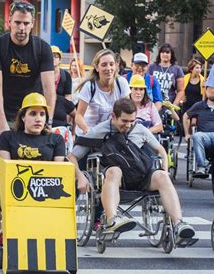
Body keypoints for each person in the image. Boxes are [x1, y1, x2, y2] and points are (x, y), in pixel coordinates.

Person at [68, 98, 195, 239]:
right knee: (114, 171)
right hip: (115, 179)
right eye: (124, 121)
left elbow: (161, 151)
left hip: (140, 176)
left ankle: (178, 224)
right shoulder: (99, 130)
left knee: (162, 177)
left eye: (131, 121)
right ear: (114, 117)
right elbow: (72, 156)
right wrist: (80, 177)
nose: (128, 125)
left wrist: (164, 169)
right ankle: (112, 220)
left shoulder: (140, 129)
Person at [0, 0, 56, 137]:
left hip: (32, 118)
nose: (22, 28)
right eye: (17, 22)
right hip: (3, 114)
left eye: (26, 23)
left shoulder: (43, 48)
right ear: (9, 22)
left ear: (32, 23)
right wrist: (2, 124)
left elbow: (49, 89)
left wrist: (48, 122)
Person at [75, 49, 130, 136]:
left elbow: (127, 111)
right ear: (97, 67)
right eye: (104, 65)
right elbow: (78, 116)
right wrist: (89, 132)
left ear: (116, 66)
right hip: (89, 133)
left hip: (112, 133)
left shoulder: (121, 83)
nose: (108, 68)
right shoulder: (89, 86)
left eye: (111, 64)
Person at [0, 93, 65, 161]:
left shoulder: (57, 140)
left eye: (42, 114)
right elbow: (4, 169)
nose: (38, 119)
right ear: (23, 117)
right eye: (33, 114)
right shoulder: (7, 137)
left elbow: (59, 169)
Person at [183, 96, 214, 175]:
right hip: (203, 134)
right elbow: (186, 116)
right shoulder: (199, 105)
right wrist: (187, 134)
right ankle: (201, 167)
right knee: (196, 136)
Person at [51, 46, 75, 127]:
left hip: (60, 115)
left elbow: (68, 98)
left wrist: (68, 119)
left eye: (56, 56)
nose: (53, 58)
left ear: (60, 60)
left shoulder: (66, 76)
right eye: (51, 56)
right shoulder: (43, 74)